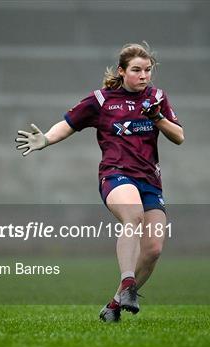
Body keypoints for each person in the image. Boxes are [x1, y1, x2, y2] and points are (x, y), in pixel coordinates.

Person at [15, 43, 184, 322]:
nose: (144, 76)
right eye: (136, 70)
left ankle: (115, 305)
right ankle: (128, 283)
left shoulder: (157, 98)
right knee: (133, 215)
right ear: (122, 71)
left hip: (150, 181)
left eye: (148, 70)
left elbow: (179, 137)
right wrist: (45, 139)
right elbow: (67, 124)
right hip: (116, 175)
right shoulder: (101, 100)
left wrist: (158, 118)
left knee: (153, 248)